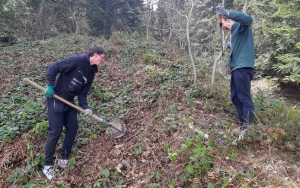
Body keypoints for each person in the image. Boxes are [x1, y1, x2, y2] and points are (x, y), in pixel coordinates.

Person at [42, 45, 107, 181]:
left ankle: (64, 158)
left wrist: (86, 107)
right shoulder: (77, 60)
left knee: (73, 127)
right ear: (95, 54)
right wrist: (50, 85)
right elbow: (54, 67)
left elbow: (82, 94)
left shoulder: (91, 73)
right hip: (56, 97)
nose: (103, 61)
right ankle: (48, 165)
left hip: (69, 101)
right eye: (102, 58)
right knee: (55, 131)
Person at [216, 6, 255, 140]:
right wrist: (231, 45)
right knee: (235, 98)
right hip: (237, 68)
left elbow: (248, 19)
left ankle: (248, 130)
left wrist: (227, 13)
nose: (223, 28)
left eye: (224, 25)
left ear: (230, 20)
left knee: (244, 99)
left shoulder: (240, 26)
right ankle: (242, 127)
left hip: (243, 68)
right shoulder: (235, 34)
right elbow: (240, 47)